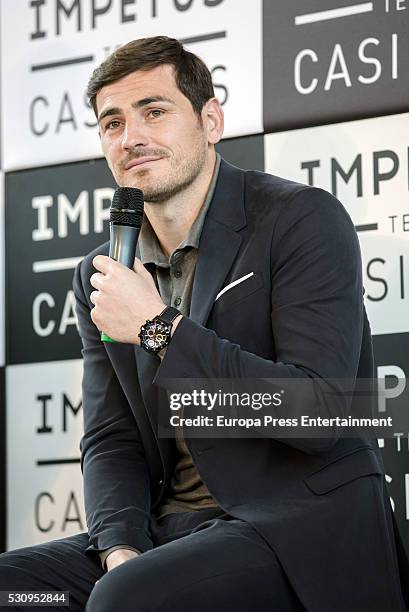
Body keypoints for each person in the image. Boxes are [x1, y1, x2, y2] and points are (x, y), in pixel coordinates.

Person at [0, 35, 408, 612]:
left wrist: (158, 326)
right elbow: (112, 438)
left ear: (210, 121)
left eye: (154, 112)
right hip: (169, 534)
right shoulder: (105, 270)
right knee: (17, 593)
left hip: (291, 527)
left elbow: (320, 410)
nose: (131, 136)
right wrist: (118, 547)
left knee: (126, 601)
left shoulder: (300, 219)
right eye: (111, 122)